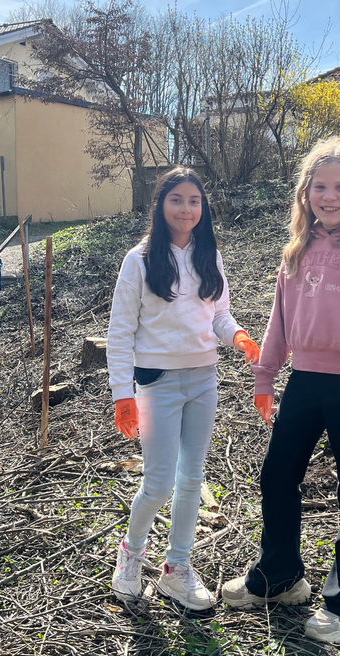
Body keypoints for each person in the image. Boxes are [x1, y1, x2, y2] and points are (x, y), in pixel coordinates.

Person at [221, 137, 340, 644]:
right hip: (304, 382)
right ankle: (280, 576)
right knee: (277, 474)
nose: (329, 196)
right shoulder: (298, 249)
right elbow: (280, 322)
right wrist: (265, 374)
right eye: (319, 186)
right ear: (306, 192)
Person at [107, 167, 260, 611]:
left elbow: (218, 314)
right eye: (177, 200)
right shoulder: (138, 261)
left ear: (203, 207)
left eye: (195, 201)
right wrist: (122, 395)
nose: (186, 209)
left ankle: (177, 568)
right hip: (156, 383)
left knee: (191, 478)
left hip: (203, 378)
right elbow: (120, 333)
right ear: (161, 204)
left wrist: (238, 336)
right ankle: (130, 555)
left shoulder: (208, 256)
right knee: (157, 482)